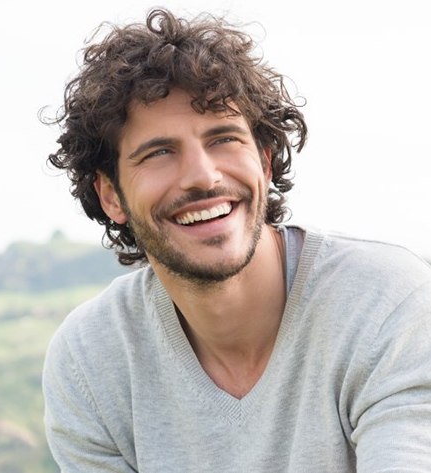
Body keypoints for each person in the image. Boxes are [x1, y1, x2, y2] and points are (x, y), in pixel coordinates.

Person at [42, 8, 431, 473]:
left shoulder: (387, 303)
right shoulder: (90, 361)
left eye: (223, 138)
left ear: (265, 164)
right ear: (111, 196)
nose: (203, 177)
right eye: (159, 152)